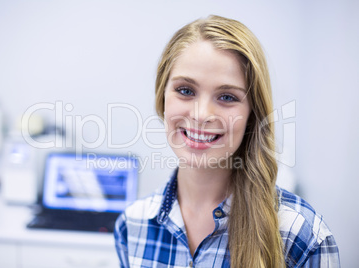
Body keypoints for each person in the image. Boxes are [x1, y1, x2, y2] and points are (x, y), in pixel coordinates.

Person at [114, 15, 340, 268]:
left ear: (252, 114)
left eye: (227, 97)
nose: (201, 115)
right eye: (186, 91)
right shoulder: (132, 226)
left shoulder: (302, 236)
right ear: (162, 97)